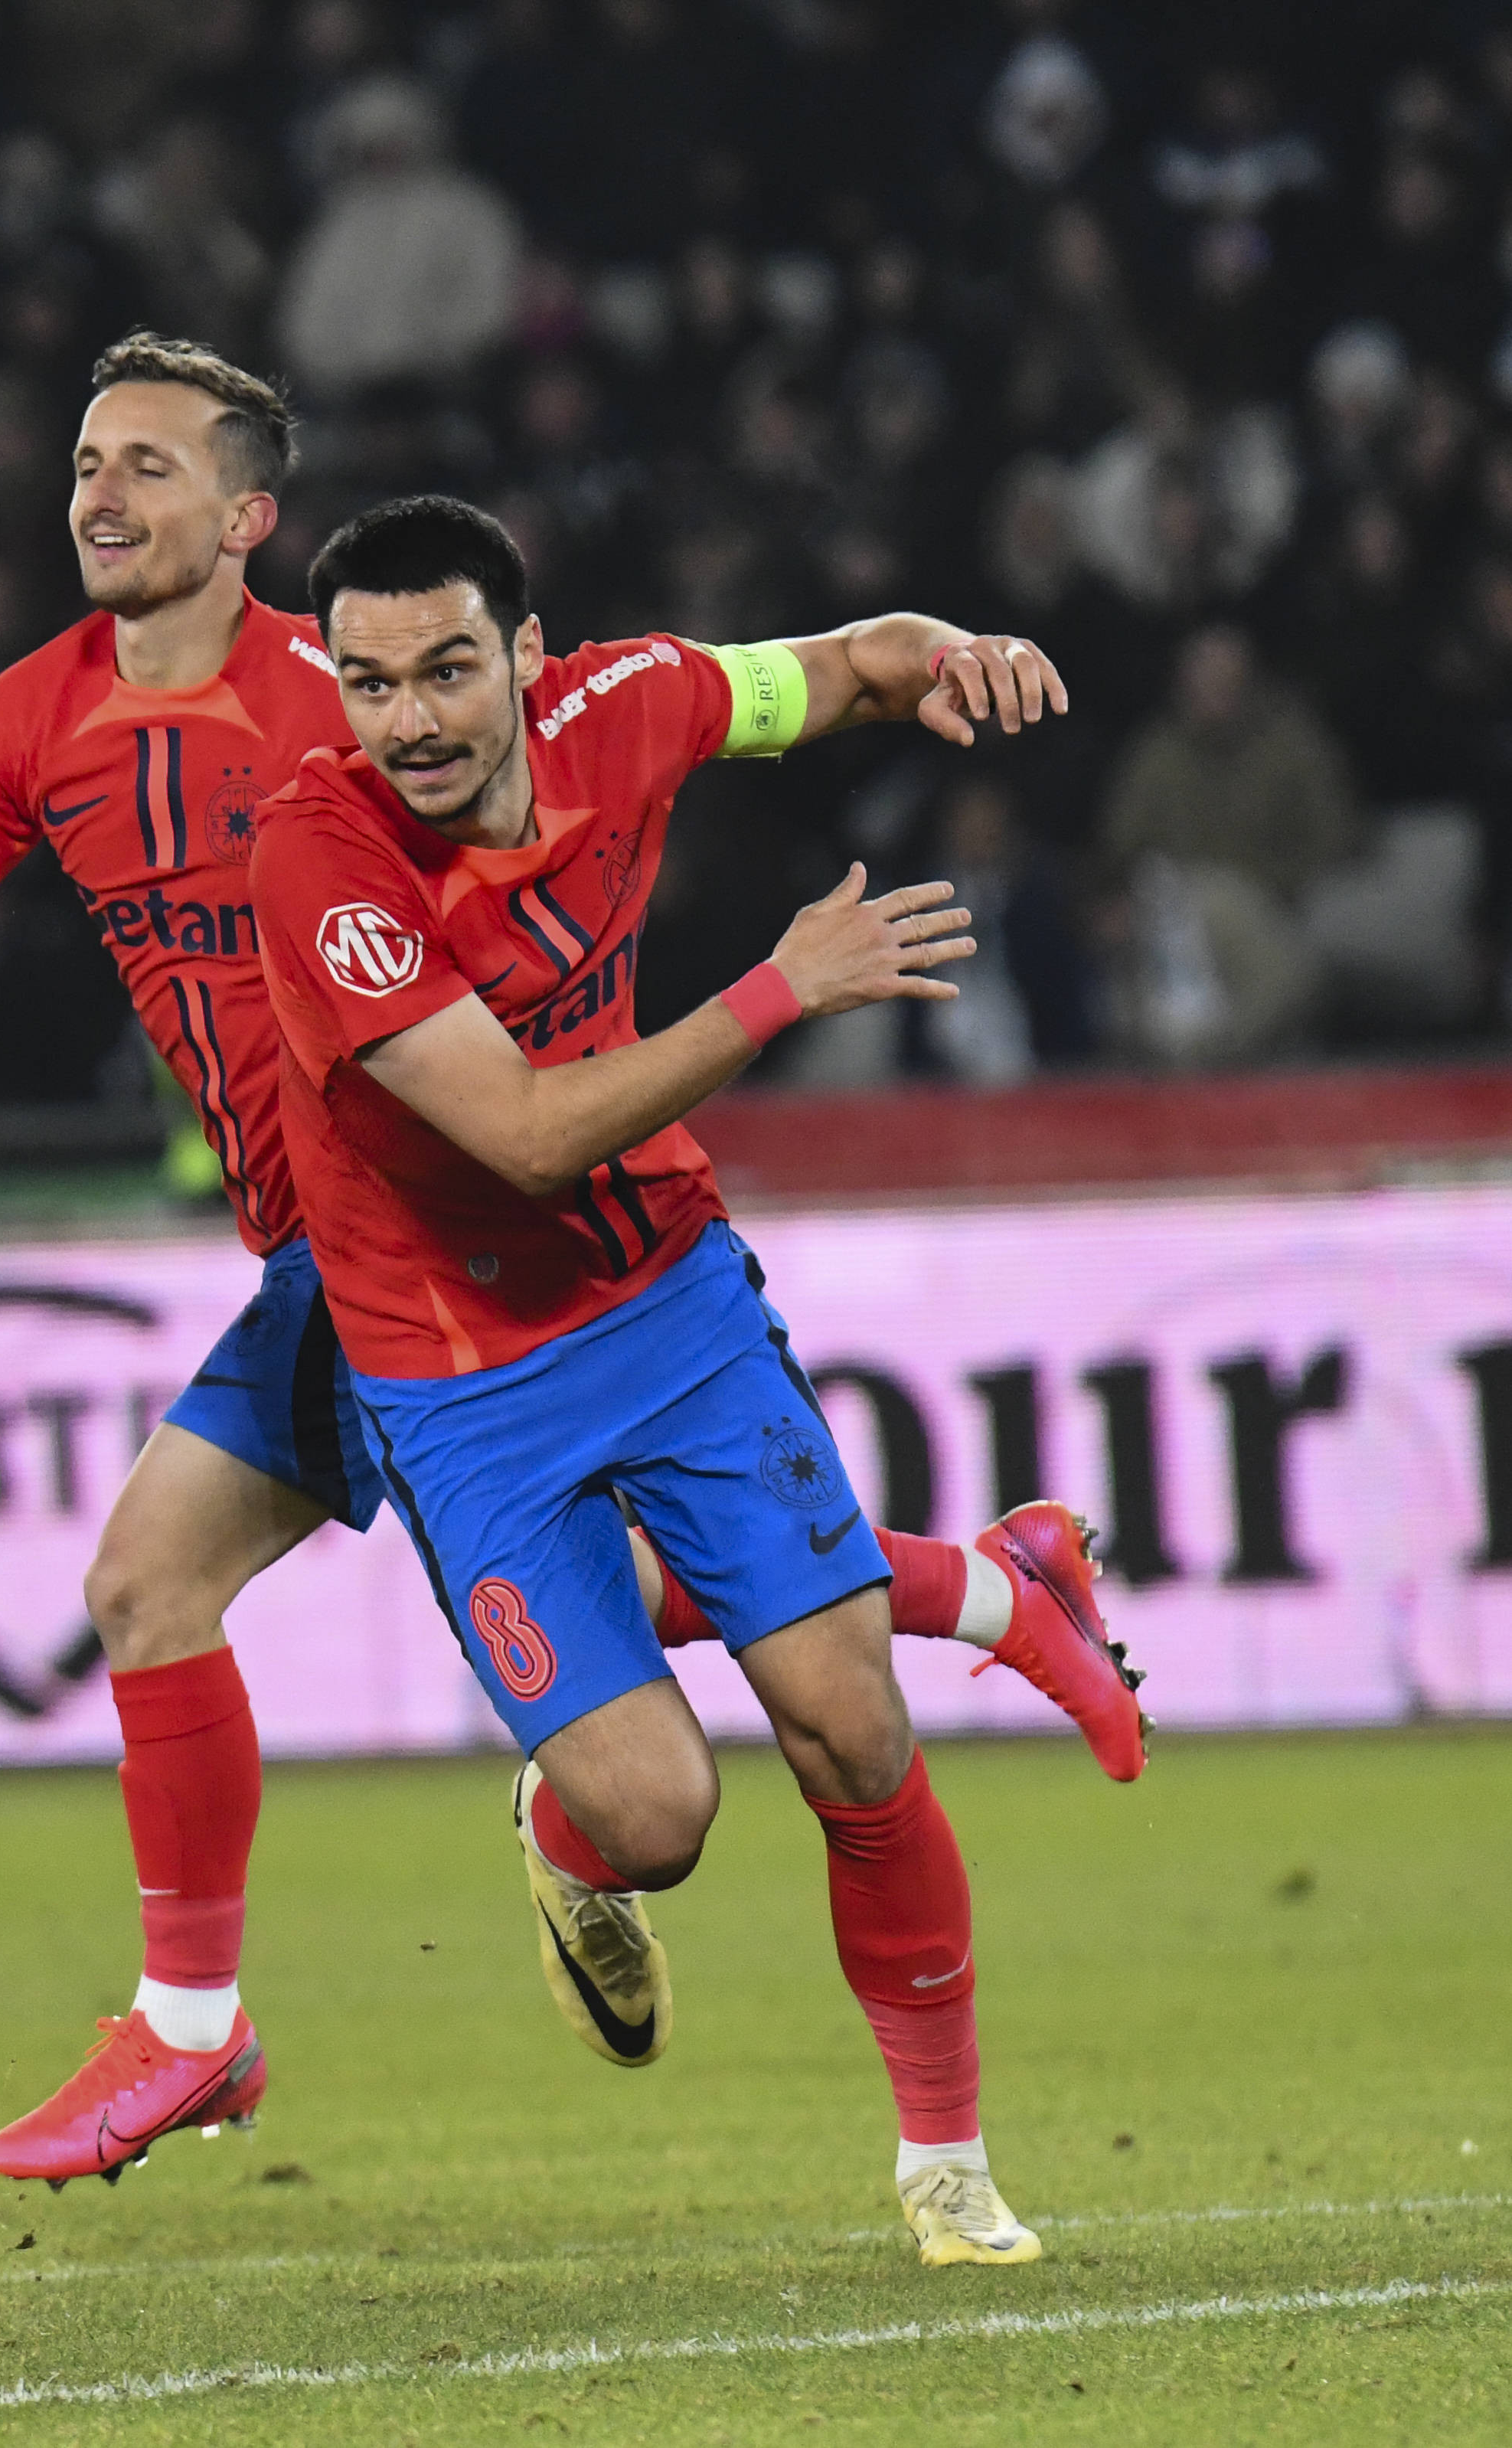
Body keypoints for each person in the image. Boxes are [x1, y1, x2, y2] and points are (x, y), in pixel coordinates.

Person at [0, 337, 1145, 2191]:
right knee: (223, 1598)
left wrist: (935, 663)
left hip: (448, 1261)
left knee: (183, 1591)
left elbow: (774, 701)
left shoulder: (351, 694)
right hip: (329, 1256)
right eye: (86, 462)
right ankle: (989, 1587)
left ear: (246, 516)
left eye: (147, 467)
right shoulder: (32, 722)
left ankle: (198, 2027)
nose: (100, 497)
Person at [247, 493, 1103, 2267]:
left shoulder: (632, 699)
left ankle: (944, 2166)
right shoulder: (318, 862)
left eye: (446, 670)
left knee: (851, 1727)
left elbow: (845, 671)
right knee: (658, 1815)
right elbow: (534, 1135)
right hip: (457, 1377)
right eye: (369, 681)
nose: (408, 718)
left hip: (668, 1310)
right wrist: (780, 991)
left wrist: (949, 654)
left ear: (529, 660)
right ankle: (589, 1825)